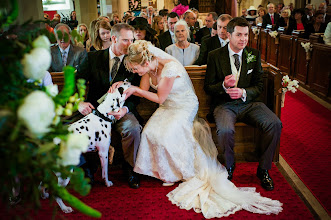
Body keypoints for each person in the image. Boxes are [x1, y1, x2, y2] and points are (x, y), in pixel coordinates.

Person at [122, 39, 282, 219]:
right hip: (168, 107)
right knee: (150, 132)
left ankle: (178, 172)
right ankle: (164, 171)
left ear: (145, 61)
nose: (135, 72)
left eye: (136, 69)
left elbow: (158, 97)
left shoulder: (170, 68)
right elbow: (145, 90)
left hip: (184, 106)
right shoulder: (149, 68)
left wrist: (134, 90)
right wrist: (131, 88)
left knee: (165, 135)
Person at [204, 17, 282, 191]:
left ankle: (263, 169)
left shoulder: (254, 54)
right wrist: (224, 86)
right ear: (229, 35)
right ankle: (229, 167)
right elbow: (208, 87)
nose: (243, 39)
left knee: (275, 124)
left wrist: (244, 92)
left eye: (246, 35)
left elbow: (259, 85)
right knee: (225, 131)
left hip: (250, 103)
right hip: (224, 105)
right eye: (239, 34)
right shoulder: (215, 56)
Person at [76, 23, 142, 189]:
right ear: (113, 38)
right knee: (71, 128)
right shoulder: (93, 57)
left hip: (120, 111)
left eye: (132, 40)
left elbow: (137, 95)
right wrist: (79, 102)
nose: (130, 44)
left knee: (133, 128)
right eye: (126, 40)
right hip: (95, 112)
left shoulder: (133, 62)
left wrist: (125, 109)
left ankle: (131, 169)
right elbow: (76, 83)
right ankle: (87, 170)